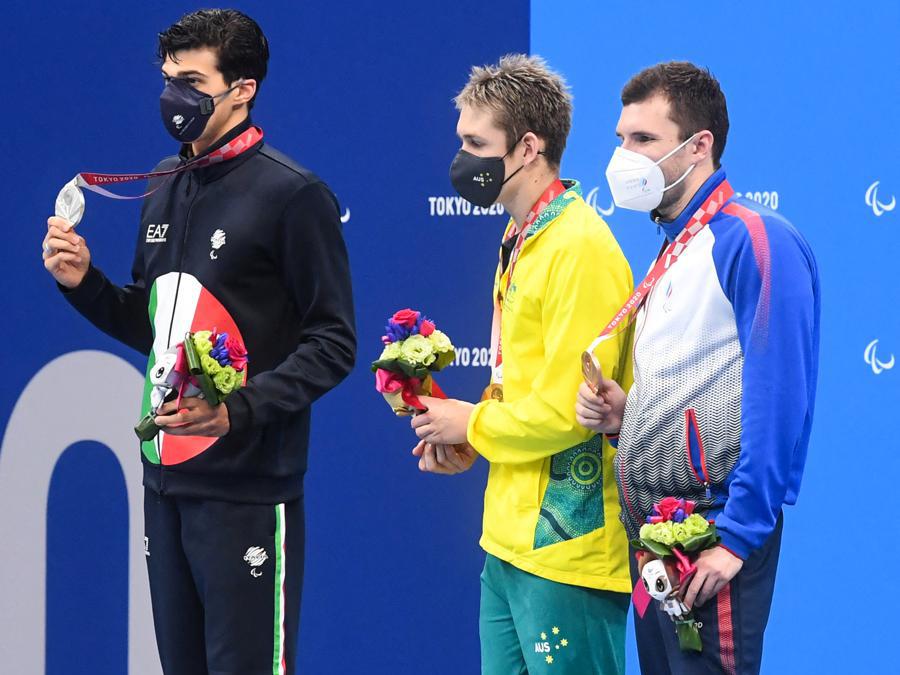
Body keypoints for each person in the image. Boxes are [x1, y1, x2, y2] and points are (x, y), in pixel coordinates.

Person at [41, 9, 355, 674]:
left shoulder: (293, 194)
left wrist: (236, 409)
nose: (172, 98)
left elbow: (334, 342)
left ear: (242, 88)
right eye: (166, 80)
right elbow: (155, 324)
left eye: (191, 80)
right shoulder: (166, 182)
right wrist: (82, 281)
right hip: (165, 481)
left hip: (247, 489)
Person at [576, 61, 820, 674]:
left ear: (699, 146)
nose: (623, 157)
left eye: (644, 140)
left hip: (709, 536)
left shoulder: (754, 239)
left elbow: (778, 398)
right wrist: (623, 415)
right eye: (620, 139)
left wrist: (737, 536)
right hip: (654, 540)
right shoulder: (673, 249)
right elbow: (704, 391)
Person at [411, 54, 634, 674]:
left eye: (476, 143)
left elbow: (573, 409)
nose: (462, 159)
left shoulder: (580, 248)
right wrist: (473, 435)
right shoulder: (522, 236)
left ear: (528, 147)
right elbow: (524, 383)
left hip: (566, 548)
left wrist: (472, 425)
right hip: (506, 542)